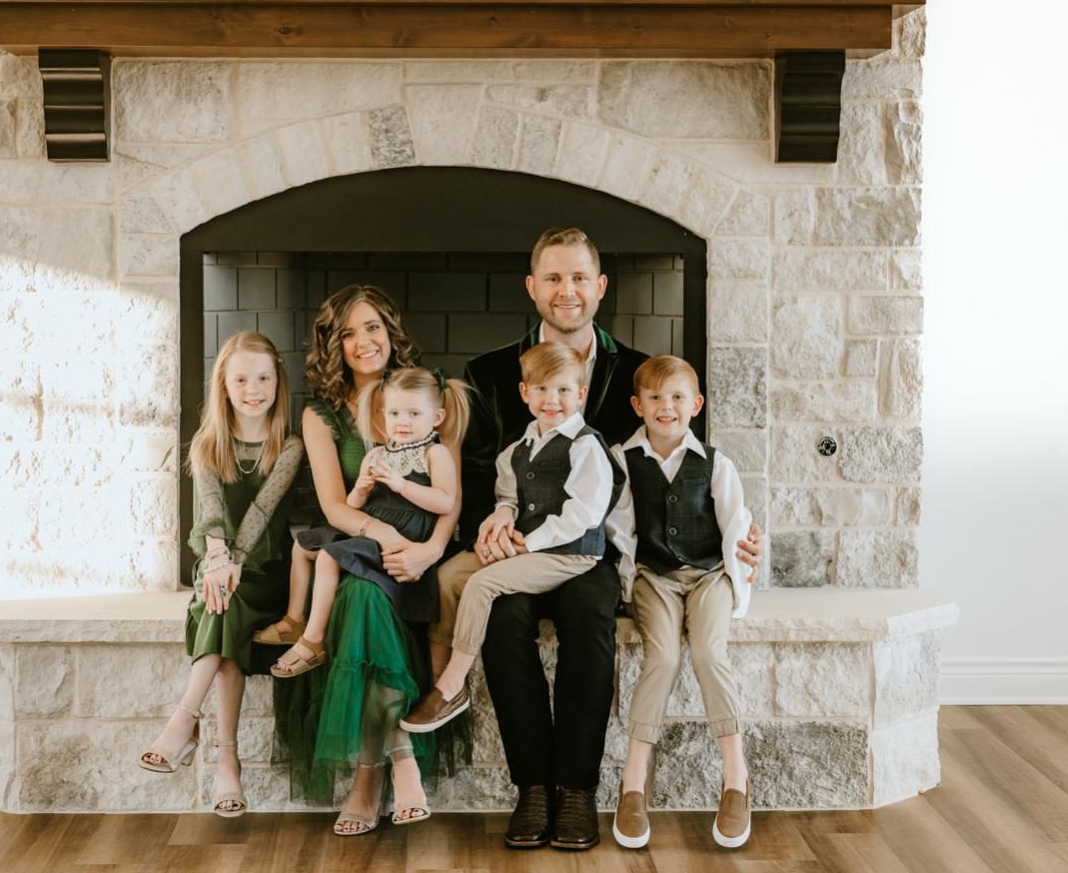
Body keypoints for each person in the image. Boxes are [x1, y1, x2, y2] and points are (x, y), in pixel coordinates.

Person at [459, 227, 765, 850]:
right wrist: (489, 528)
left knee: (591, 616)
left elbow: (678, 468)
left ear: (600, 288)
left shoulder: (642, 374)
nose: (565, 291)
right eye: (552, 278)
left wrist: (735, 539)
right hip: (517, 548)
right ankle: (532, 790)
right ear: (531, 287)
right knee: (504, 619)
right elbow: (475, 473)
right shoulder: (490, 373)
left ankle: (575, 791)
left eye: (578, 278)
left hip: (591, 554)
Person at [272, 285, 464, 836]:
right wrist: (383, 536)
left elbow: (451, 492)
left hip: (416, 556)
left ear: (391, 331)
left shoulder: (421, 396)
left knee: (365, 597)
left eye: (372, 327)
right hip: (364, 547)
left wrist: (429, 551)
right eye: (347, 332)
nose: (363, 342)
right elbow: (335, 504)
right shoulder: (320, 414)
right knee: (359, 596)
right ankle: (386, 767)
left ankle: (370, 777)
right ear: (332, 344)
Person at [401, 343, 623, 733]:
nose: (552, 400)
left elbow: (583, 515)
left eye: (563, 391)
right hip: (526, 544)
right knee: (450, 576)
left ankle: (452, 686)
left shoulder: (586, 447)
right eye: (541, 390)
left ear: (581, 394)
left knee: (483, 584)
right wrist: (501, 519)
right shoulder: (517, 450)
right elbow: (508, 496)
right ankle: (439, 675)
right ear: (525, 393)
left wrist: (526, 544)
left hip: (568, 553)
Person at [138, 330, 303, 820]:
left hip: (266, 569)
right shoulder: (208, 445)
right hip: (218, 569)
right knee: (223, 603)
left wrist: (233, 563)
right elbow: (211, 512)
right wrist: (216, 561)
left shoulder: (288, 446)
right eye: (241, 380)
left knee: (227, 602)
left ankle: (186, 721)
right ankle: (225, 763)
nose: (254, 390)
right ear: (223, 387)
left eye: (264, 378)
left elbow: (258, 512)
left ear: (278, 382)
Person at [606, 356, 757, 851]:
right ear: (638, 405)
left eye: (676, 398)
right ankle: (633, 783)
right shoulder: (621, 459)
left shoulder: (715, 463)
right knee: (664, 656)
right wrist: (628, 586)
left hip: (710, 574)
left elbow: (736, 526)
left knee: (710, 653)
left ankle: (736, 779)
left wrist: (738, 587)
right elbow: (620, 530)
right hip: (655, 578)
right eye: (654, 398)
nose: (665, 407)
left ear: (695, 404)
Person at [257, 366, 469, 678]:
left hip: (408, 534)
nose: (403, 422)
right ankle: (294, 619)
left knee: (328, 557)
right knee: (302, 546)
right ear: (383, 414)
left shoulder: (435, 454)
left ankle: (313, 641)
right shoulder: (377, 454)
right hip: (372, 527)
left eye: (414, 414)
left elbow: (446, 501)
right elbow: (352, 506)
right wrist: (360, 489)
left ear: (436, 418)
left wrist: (401, 485)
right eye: (395, 413)